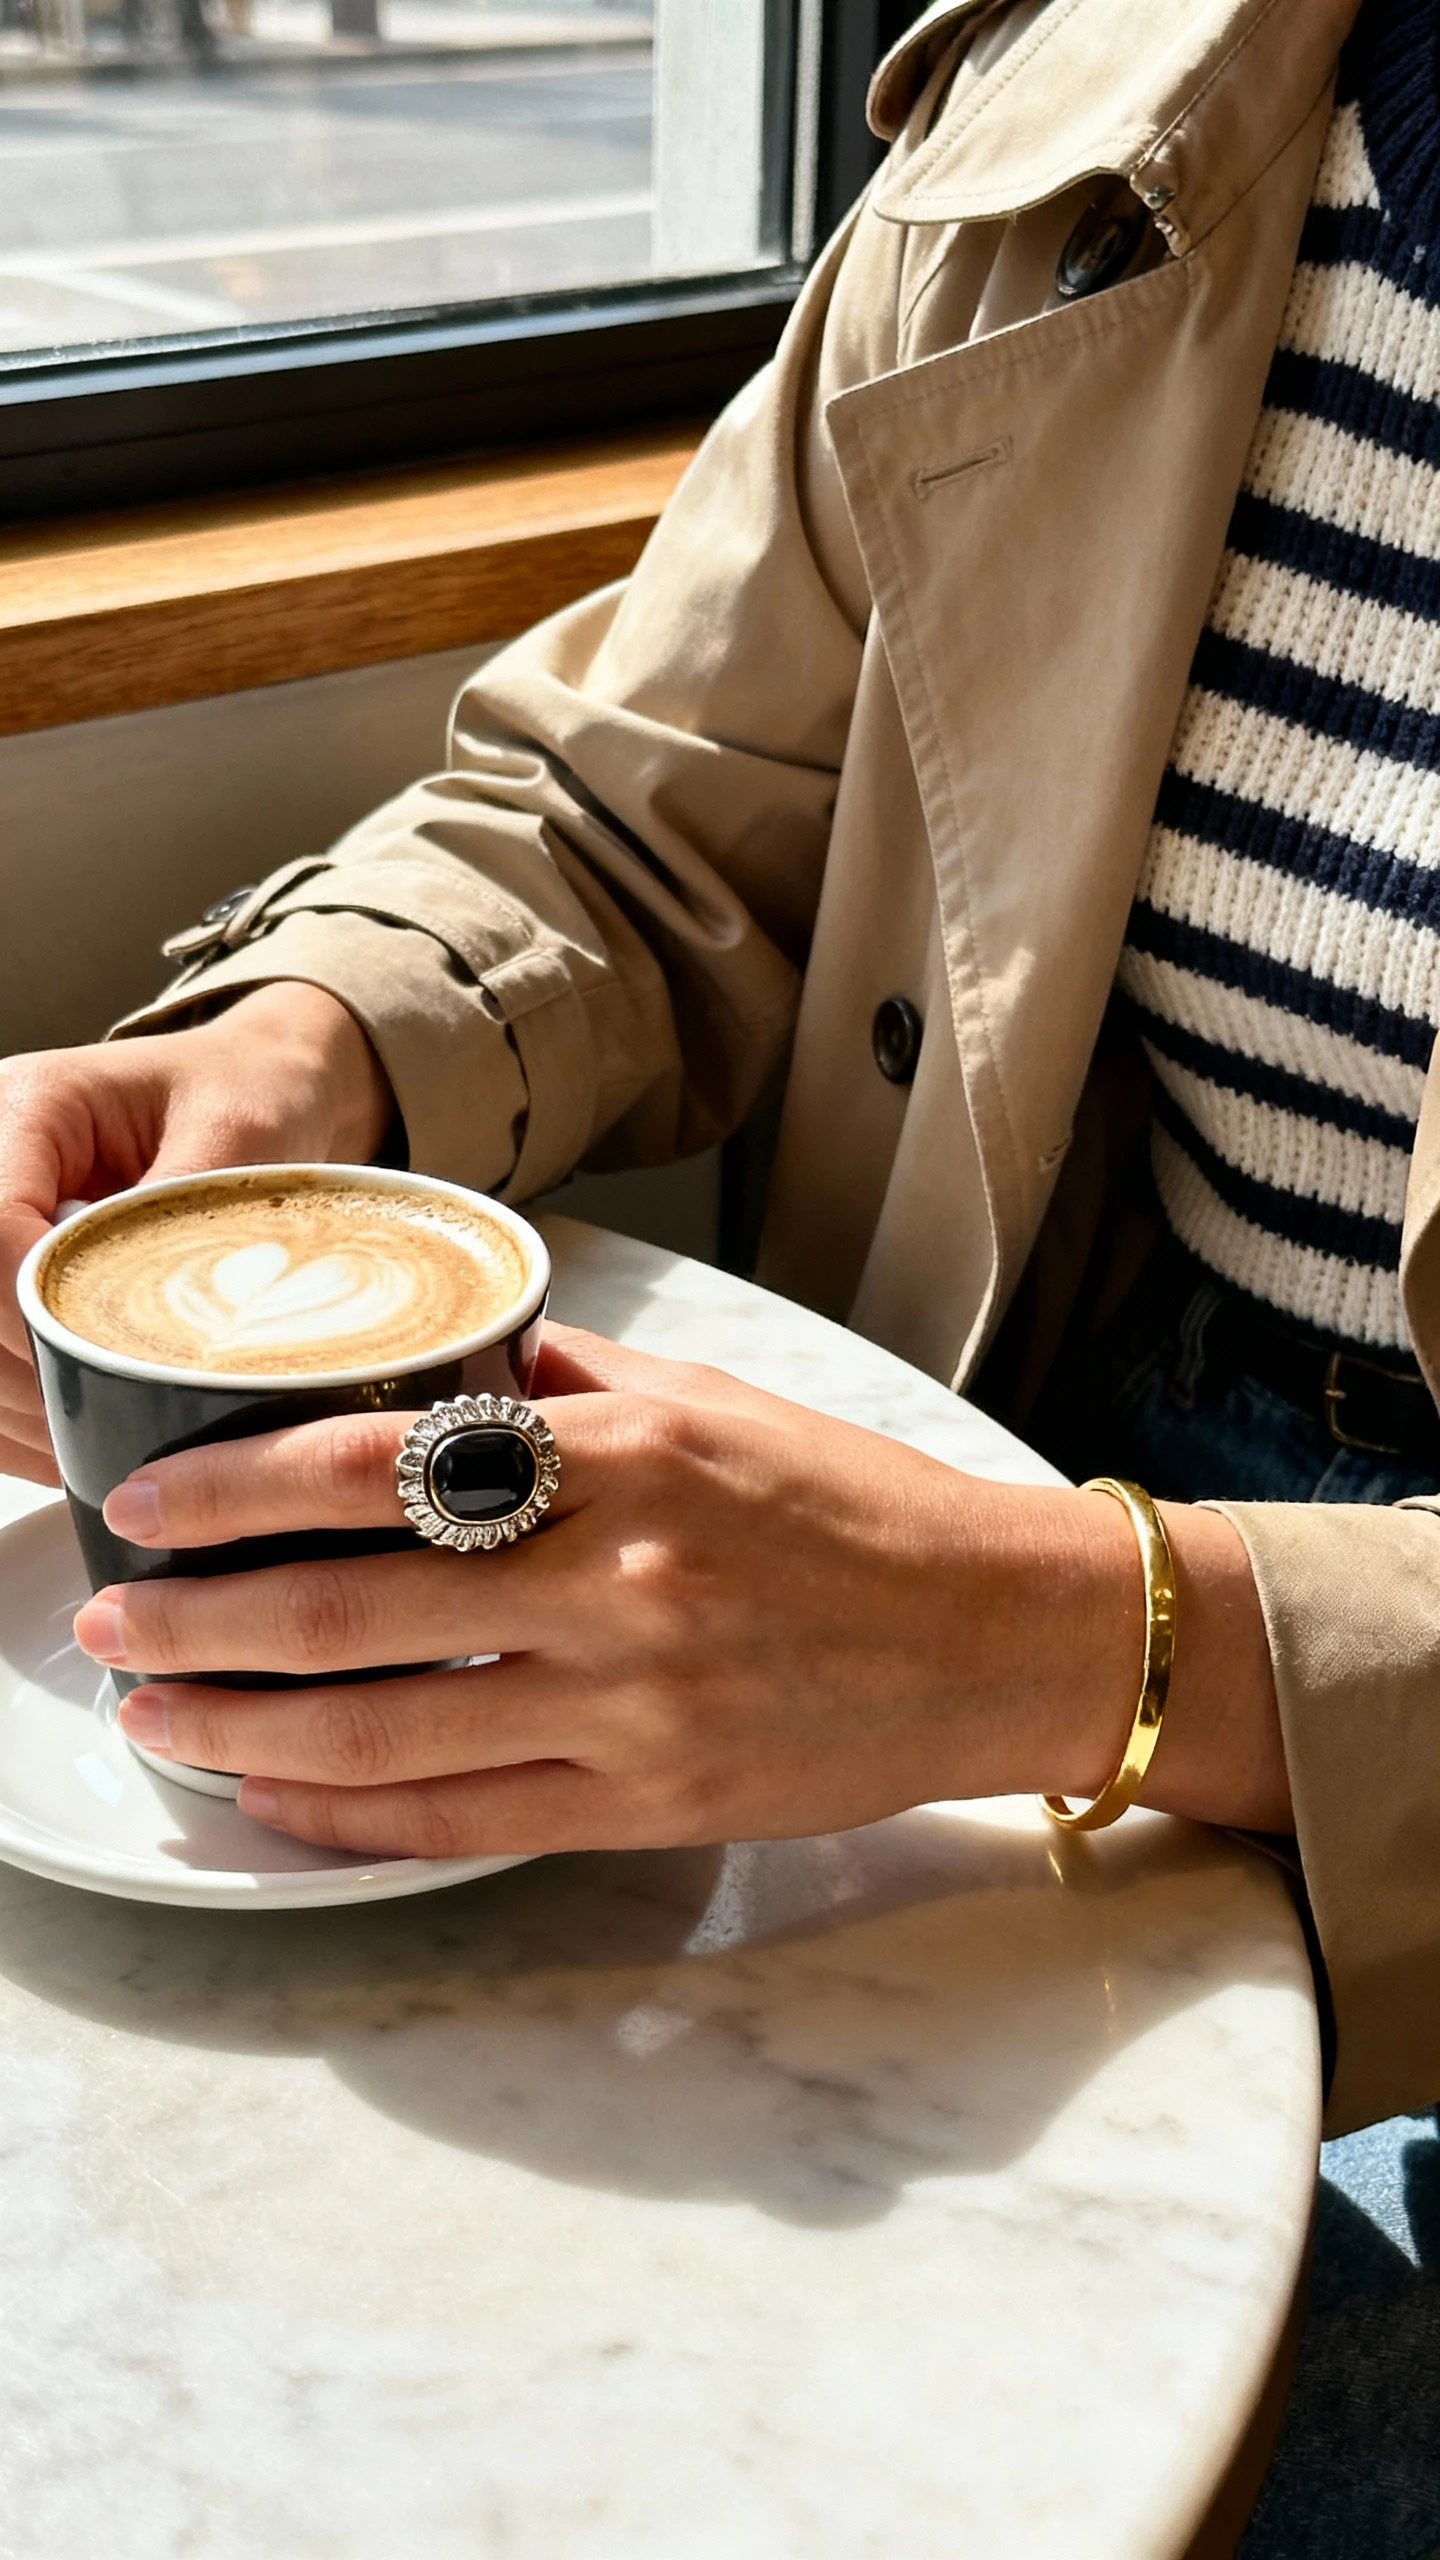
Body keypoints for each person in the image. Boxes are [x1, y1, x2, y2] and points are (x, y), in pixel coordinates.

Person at [1, 0, 1436, 2168]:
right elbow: (655, 805)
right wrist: (313, 1034)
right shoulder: (1125, 86)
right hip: (1076, 1430)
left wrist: (1080, 1636)